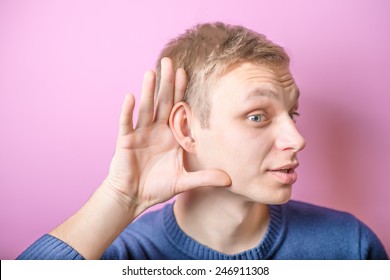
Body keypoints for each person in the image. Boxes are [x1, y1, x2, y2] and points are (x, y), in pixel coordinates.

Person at [17, 22, 388, 260]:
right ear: (187, 129)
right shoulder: (118, 256)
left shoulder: (348, 248)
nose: (297, 139)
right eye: (257, 116)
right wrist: (120, 198)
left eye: (292, 114)